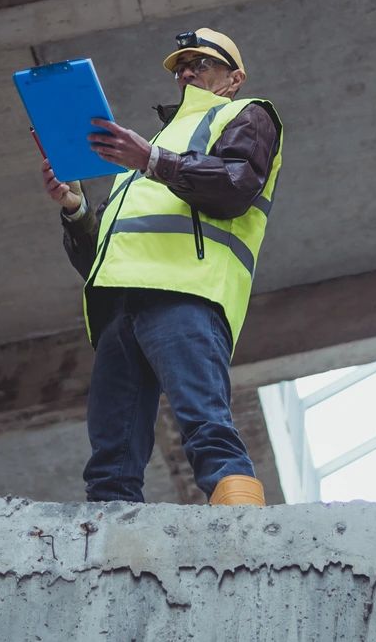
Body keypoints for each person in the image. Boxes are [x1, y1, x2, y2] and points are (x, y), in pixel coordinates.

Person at [42, 27, 284, 505]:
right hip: (119, 303)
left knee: (205, 420)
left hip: (185, 292)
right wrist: (74, 208)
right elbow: (102, 257)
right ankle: (106, 532)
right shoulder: (143, 154)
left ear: (234, 78)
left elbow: (236, 185)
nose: (188, 72)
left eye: (202, 64)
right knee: (111, 451)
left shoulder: (245, 114)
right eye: (182, 67)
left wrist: (153, 159)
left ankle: (244, 523)